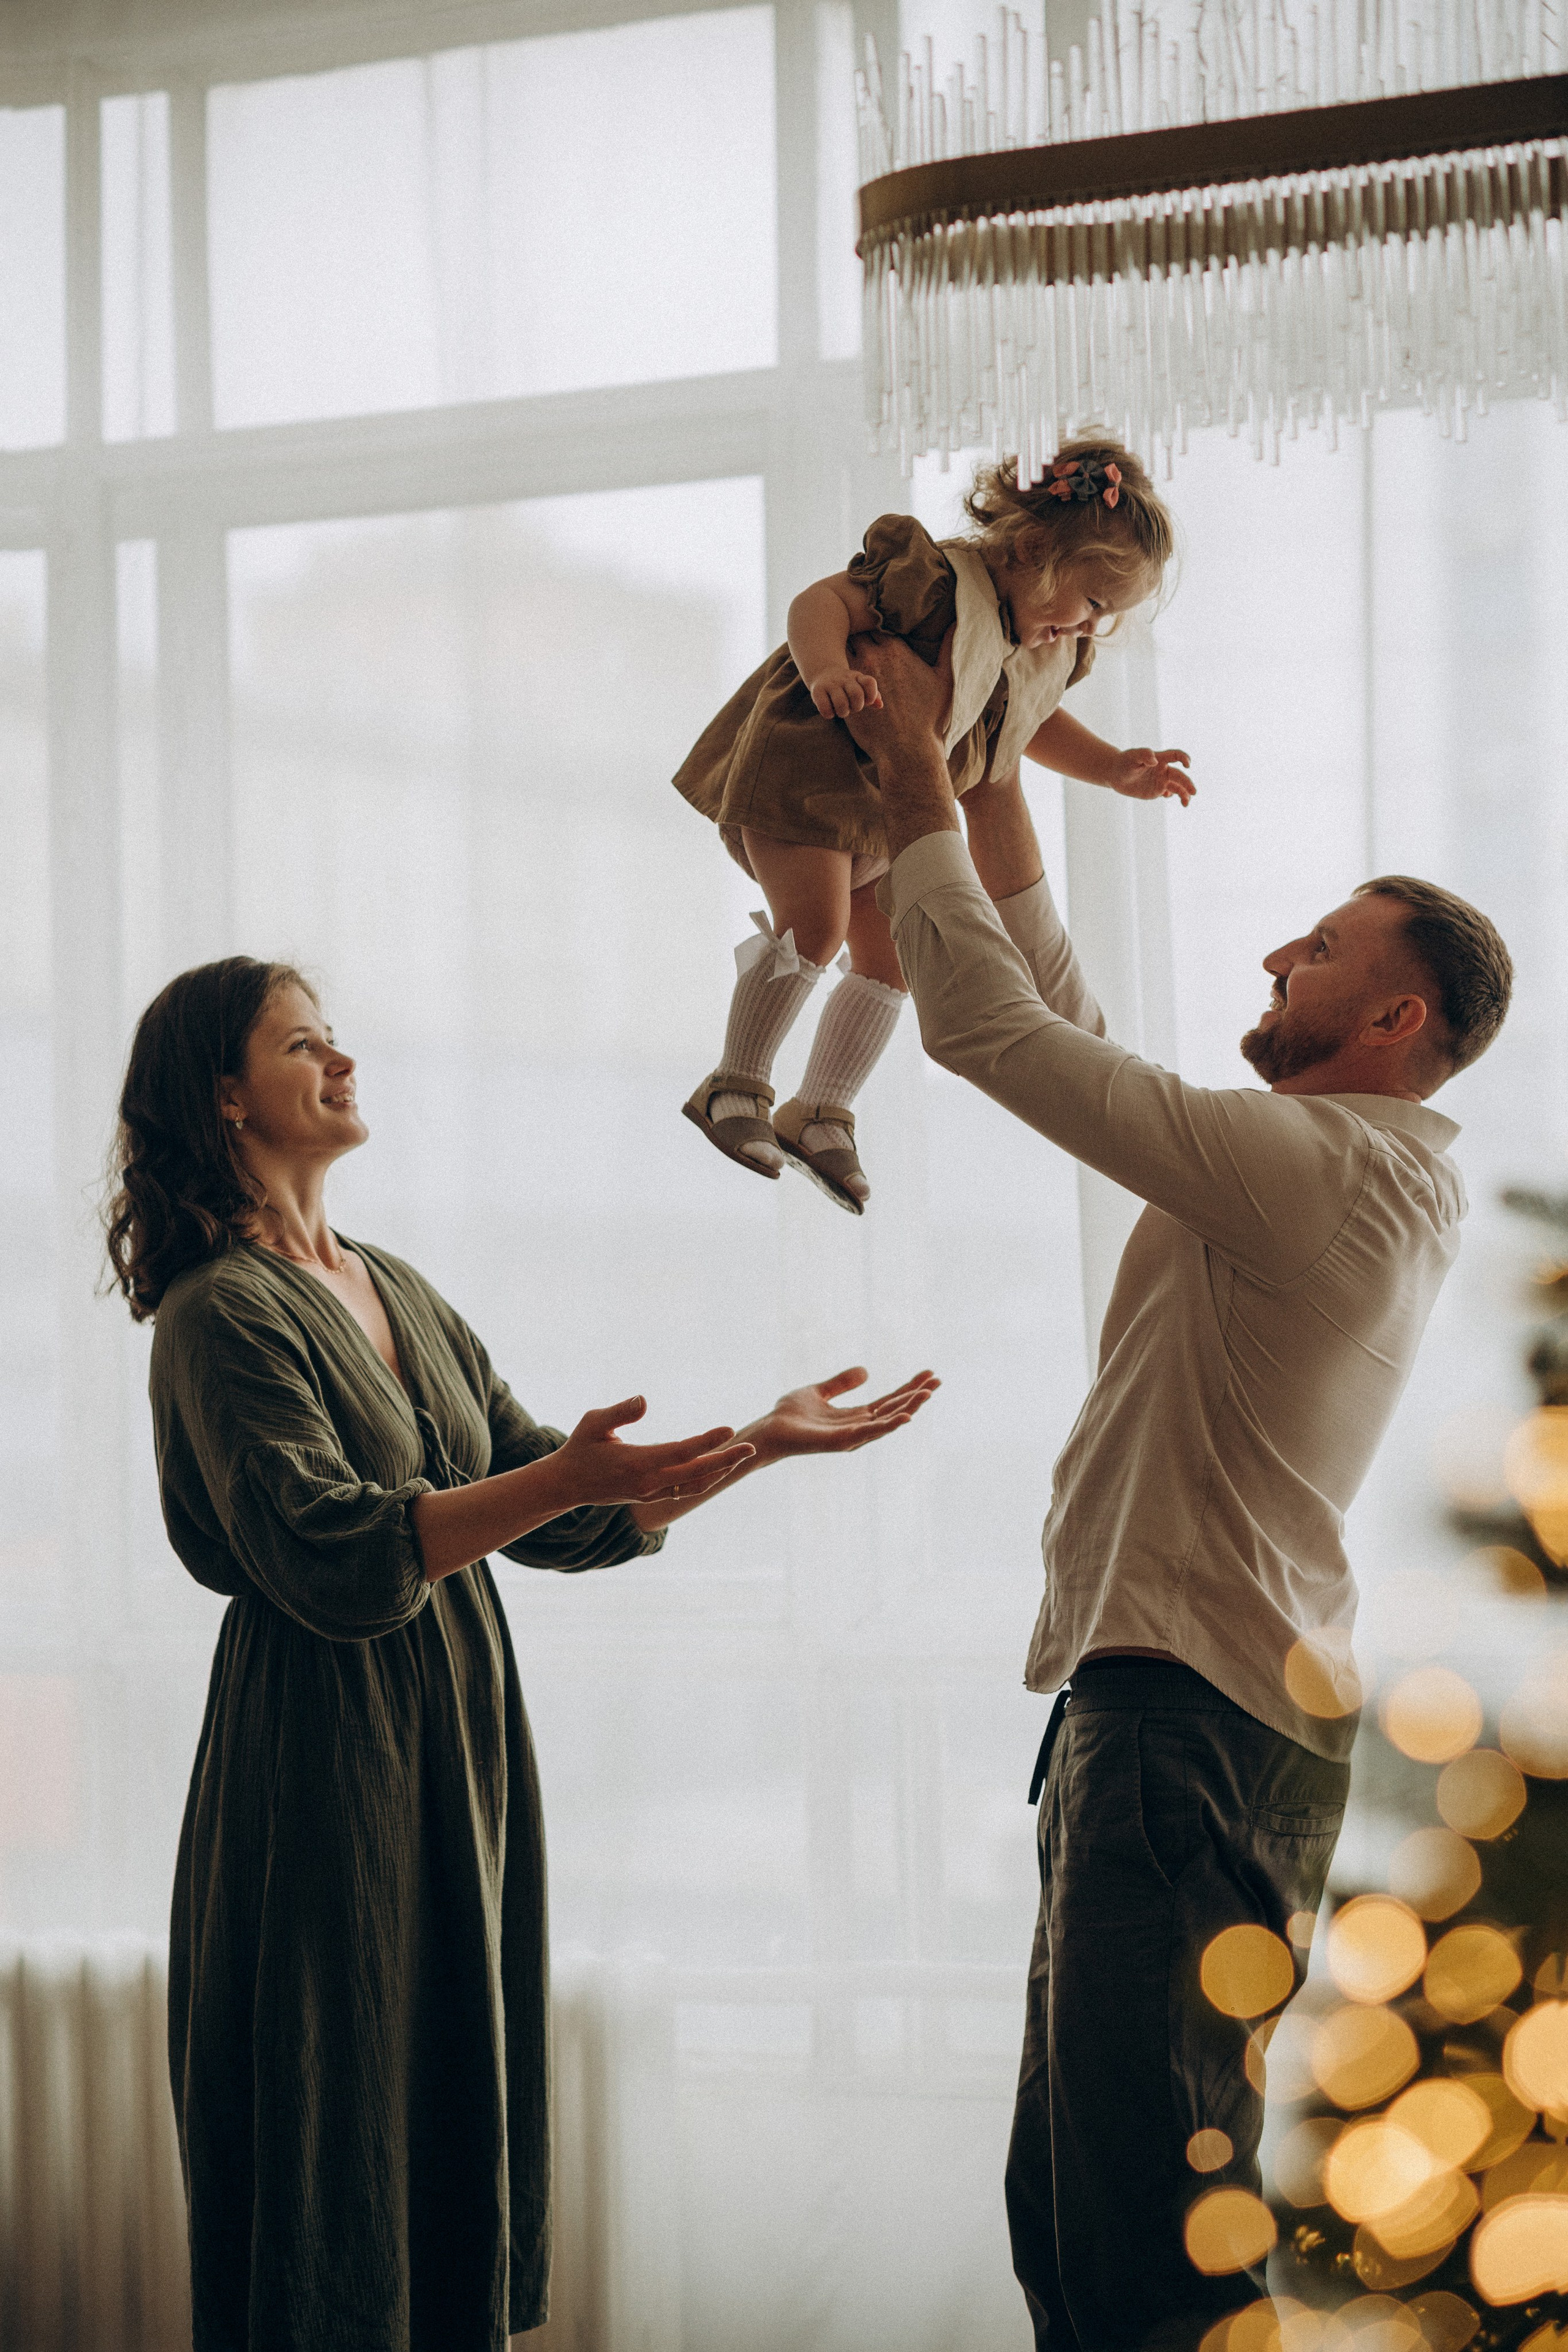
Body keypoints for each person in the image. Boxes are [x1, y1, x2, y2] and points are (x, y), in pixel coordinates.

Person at [104, 955, 938, 2352]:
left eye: (339, 1037)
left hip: (454, 1737)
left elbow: (551, 1495)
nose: (344, 1062)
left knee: (442, 2077)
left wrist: (756, 1437)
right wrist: (561, 1485)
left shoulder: (391, 1285)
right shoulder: (219, 1312)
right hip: (318, 1752)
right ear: (224, 1095)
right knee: (334, 2100)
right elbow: (335, 1549)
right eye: (307, 1044)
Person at [846, 630, 1513, 2351]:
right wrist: (991, 768)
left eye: (1323, 946)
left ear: (1394, 1017)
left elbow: (990, 1033)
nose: (1277, 951)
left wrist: (921, 769)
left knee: (1132, 2240)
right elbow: (1064, 1022)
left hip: (1185, 1721)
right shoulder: (1341, 1175)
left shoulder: (1311, 1170)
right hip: (1202, 1713)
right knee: (1086, 2212)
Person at [672, 439, 1194, 1213]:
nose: (1088, 628)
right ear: (1029, 551)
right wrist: (825, 671)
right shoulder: (933, 581)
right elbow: (820, 604)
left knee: (894, 962)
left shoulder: (1037, 645)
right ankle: (734, 1082)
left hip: (883, 815)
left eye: (1105, 618)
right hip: (808, 779)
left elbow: (1025, 724)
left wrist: (1115, 766)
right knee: (815, 928)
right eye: (1089, 603)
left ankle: (819, 1107)